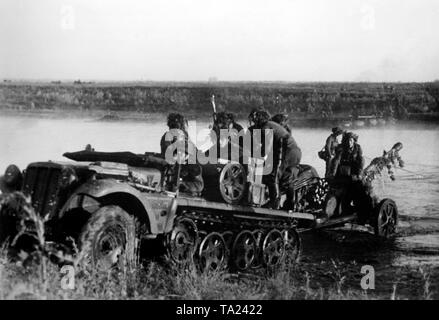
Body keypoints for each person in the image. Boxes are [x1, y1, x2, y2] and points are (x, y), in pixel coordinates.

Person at [249, 109, 302, 209]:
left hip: (287, 151)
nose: (254, 123)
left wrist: (256, 157)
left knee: (273, 174)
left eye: (255, 120)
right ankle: (292, 204)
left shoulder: (266, 126)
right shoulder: (272, 125)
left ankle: (274, 202)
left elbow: (267, 148)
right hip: (295, 152)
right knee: (287, 178)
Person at [160, 113, 203, 195]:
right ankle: (181, 185)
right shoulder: (176, 137)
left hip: (176, 170)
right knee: (198, 185)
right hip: (177, 171)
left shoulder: (168, 136)